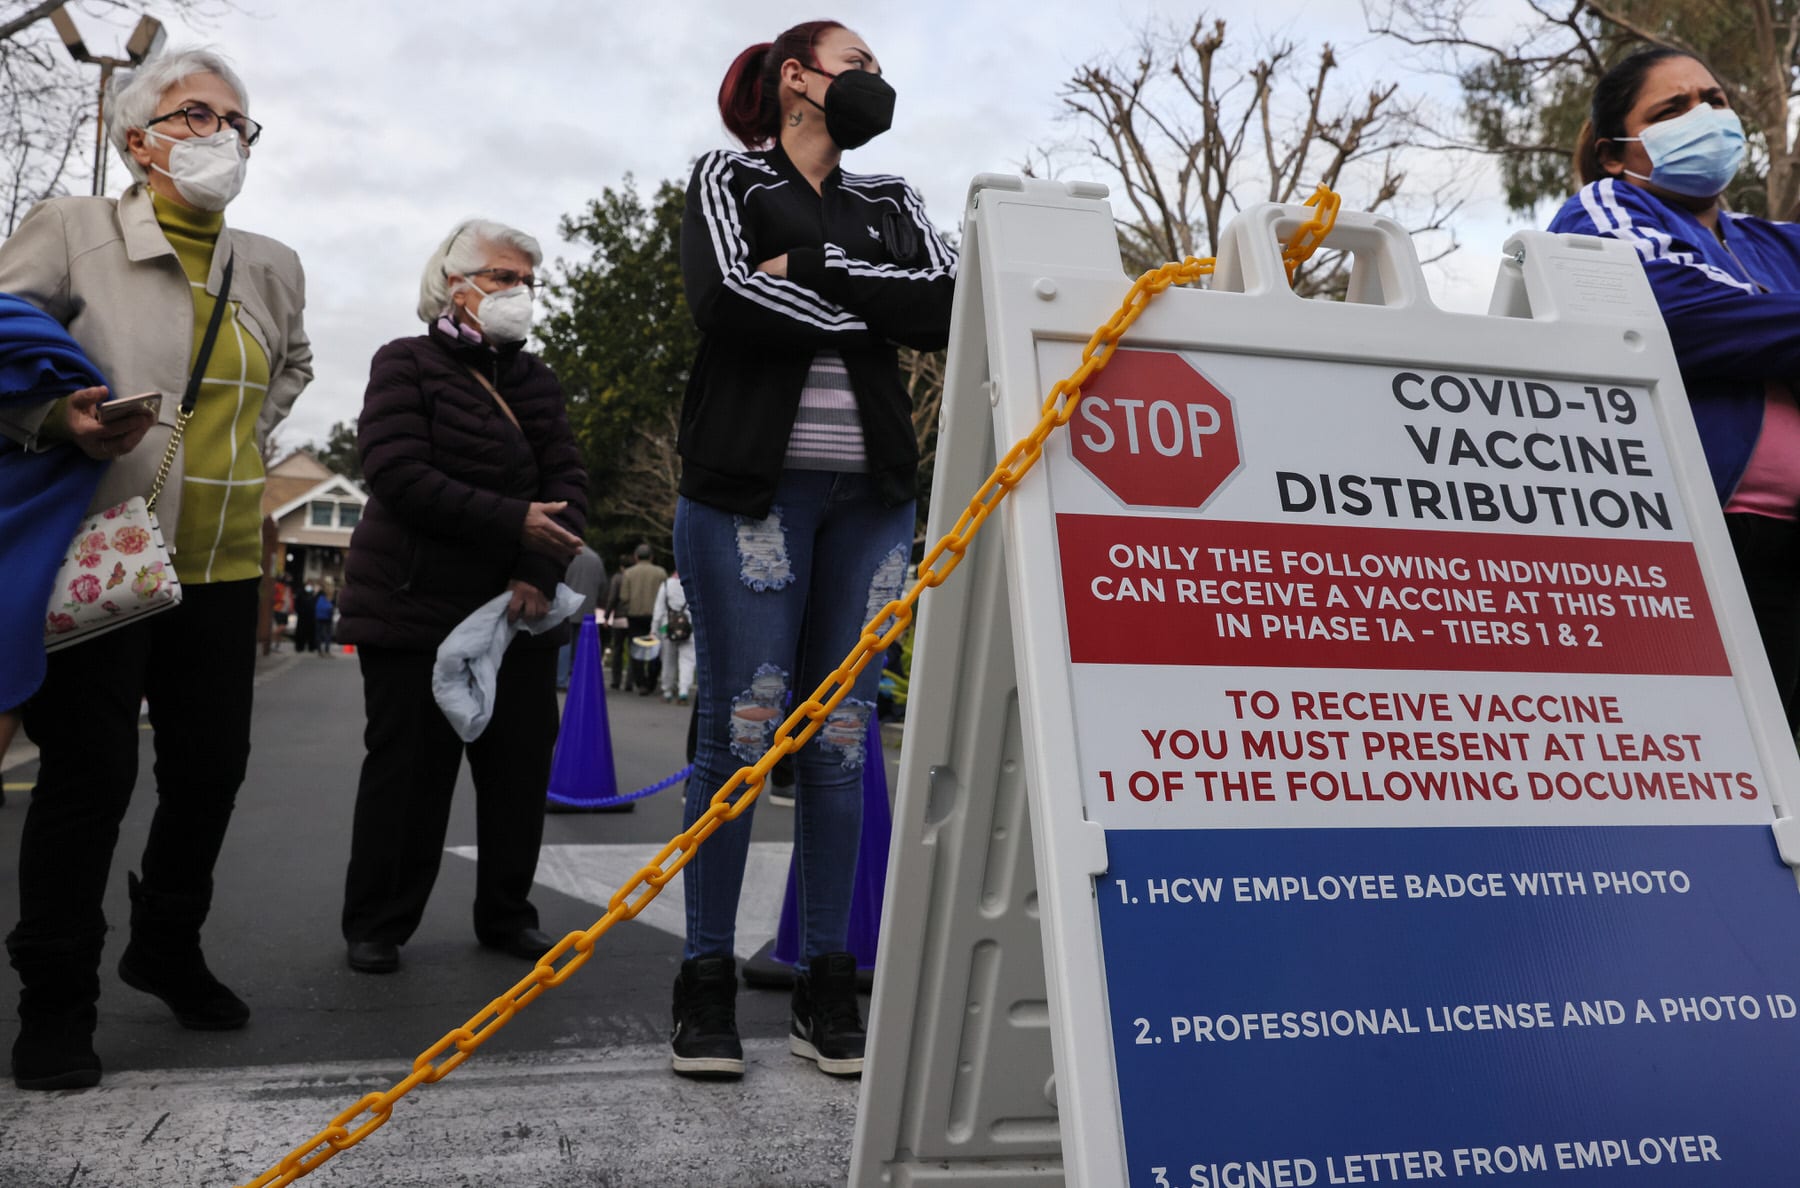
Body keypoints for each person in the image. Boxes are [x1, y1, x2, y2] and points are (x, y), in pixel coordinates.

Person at [0, 47, 312, 1090]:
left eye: (236, 120)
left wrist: (251, 439)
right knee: (90, 777)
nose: (219, 133)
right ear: (138, 139)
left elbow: (292, 363)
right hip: (109, 555)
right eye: (192, 114)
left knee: (210, 772)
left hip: (222, 569)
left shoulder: (270, 263)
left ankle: (165, 944)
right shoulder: (74, 231)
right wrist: (56, 416)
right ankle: (56, 998)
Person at [670, 20, 955, 1081]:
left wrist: (823, 263)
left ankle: (826, 981)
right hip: (749, 492)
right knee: (740, 733)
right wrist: (865, 303)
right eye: (856, 65)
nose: (875, 81)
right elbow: (727, 298)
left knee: (842, 741)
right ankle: (704, 984)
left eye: (882, 67)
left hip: (872, 499)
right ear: (796, 79)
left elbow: (948, 304)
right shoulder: (727, 180)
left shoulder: (894, 202)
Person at [335, 218, 587, 976]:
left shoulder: (536, 380)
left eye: (529, 281)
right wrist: (516, 522)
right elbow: (396, 474)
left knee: (517, 773)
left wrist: (535, 574)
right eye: (505, 278)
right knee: (409, 776)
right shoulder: (404, 365)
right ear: (457, 284)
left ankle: (508, 913)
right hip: (412, 606)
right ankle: (377, 922)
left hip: (514, 612)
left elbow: (569, 481)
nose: (521, 294)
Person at [1549, 48, 1800, 729]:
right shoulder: (1603, 211)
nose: (1706, 116)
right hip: (1700, 540)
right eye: (1672, 110)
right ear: (1613, 153)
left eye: (1714, 100)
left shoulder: (1778, 244)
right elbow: (1676, 313)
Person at [617, 543, 668, 695]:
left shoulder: (629, 573)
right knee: (656, 649)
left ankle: (641, 683)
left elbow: (623, 597)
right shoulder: (661, 573)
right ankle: (652, 681)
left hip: (635, 616)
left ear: (636, 557)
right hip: (656, 616)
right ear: (652, 557)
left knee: (637, 649)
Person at [558, 546, 606, 691]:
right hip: (587, 606)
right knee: (582, 646)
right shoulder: (595, 558)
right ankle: (579, 678)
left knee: (565, 643)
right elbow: (603, 585)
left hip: (566, 606)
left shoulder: (565, 554)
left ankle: (561, 679)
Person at [652, 566, 696, 704]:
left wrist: (653, 630)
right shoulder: (693, 584)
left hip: (667, 628)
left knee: (668, 660)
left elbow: (658, 611)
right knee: (687, 661)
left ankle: (667, 691)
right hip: (688, 628)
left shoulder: (666, 585)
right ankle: (683, 691)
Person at [603, 552, 630, 691]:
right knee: (632, 649)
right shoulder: (635, 577)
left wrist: (607, 616)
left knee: (617, 649)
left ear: (621, 567)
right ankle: (630, 682)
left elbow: (612, 598)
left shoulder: (618, 578)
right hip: (633, 617)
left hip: (619, 617)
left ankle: (616, 680)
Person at [293, 577, 316, 653]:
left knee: (311, 632)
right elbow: (297, 603)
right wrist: (299, 611)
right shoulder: (300, 592)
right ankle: (299, 646)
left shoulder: (313, 593)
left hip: (311, 616)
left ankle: (311, 647)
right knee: (300, 632)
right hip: (302, 616)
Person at [313, 582, 334, 655]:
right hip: (328, 617)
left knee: (319, 633)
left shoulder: (318, 594)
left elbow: (313, 603)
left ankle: (319, 650)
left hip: (319, 617)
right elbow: (332, 607)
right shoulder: (330, 595)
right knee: (328, 634)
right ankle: (327, 650)